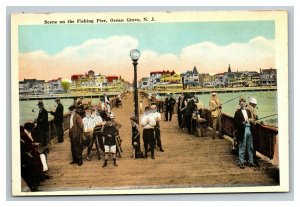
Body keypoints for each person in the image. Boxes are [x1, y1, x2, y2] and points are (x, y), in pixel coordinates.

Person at [234, 98, 257, 169]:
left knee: (250, 147)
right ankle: (241, 163)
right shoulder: (237, 112)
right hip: (242, 130)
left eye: (243, 103)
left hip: (249, 130)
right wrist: (244, 122)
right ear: (239, 104)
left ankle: (251, 162)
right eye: (241, 103)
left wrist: (252, 120)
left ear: (245, 103)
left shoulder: (248, 111)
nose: (242, 104)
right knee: (242, 147)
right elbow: (236, 123)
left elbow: (251, 119)